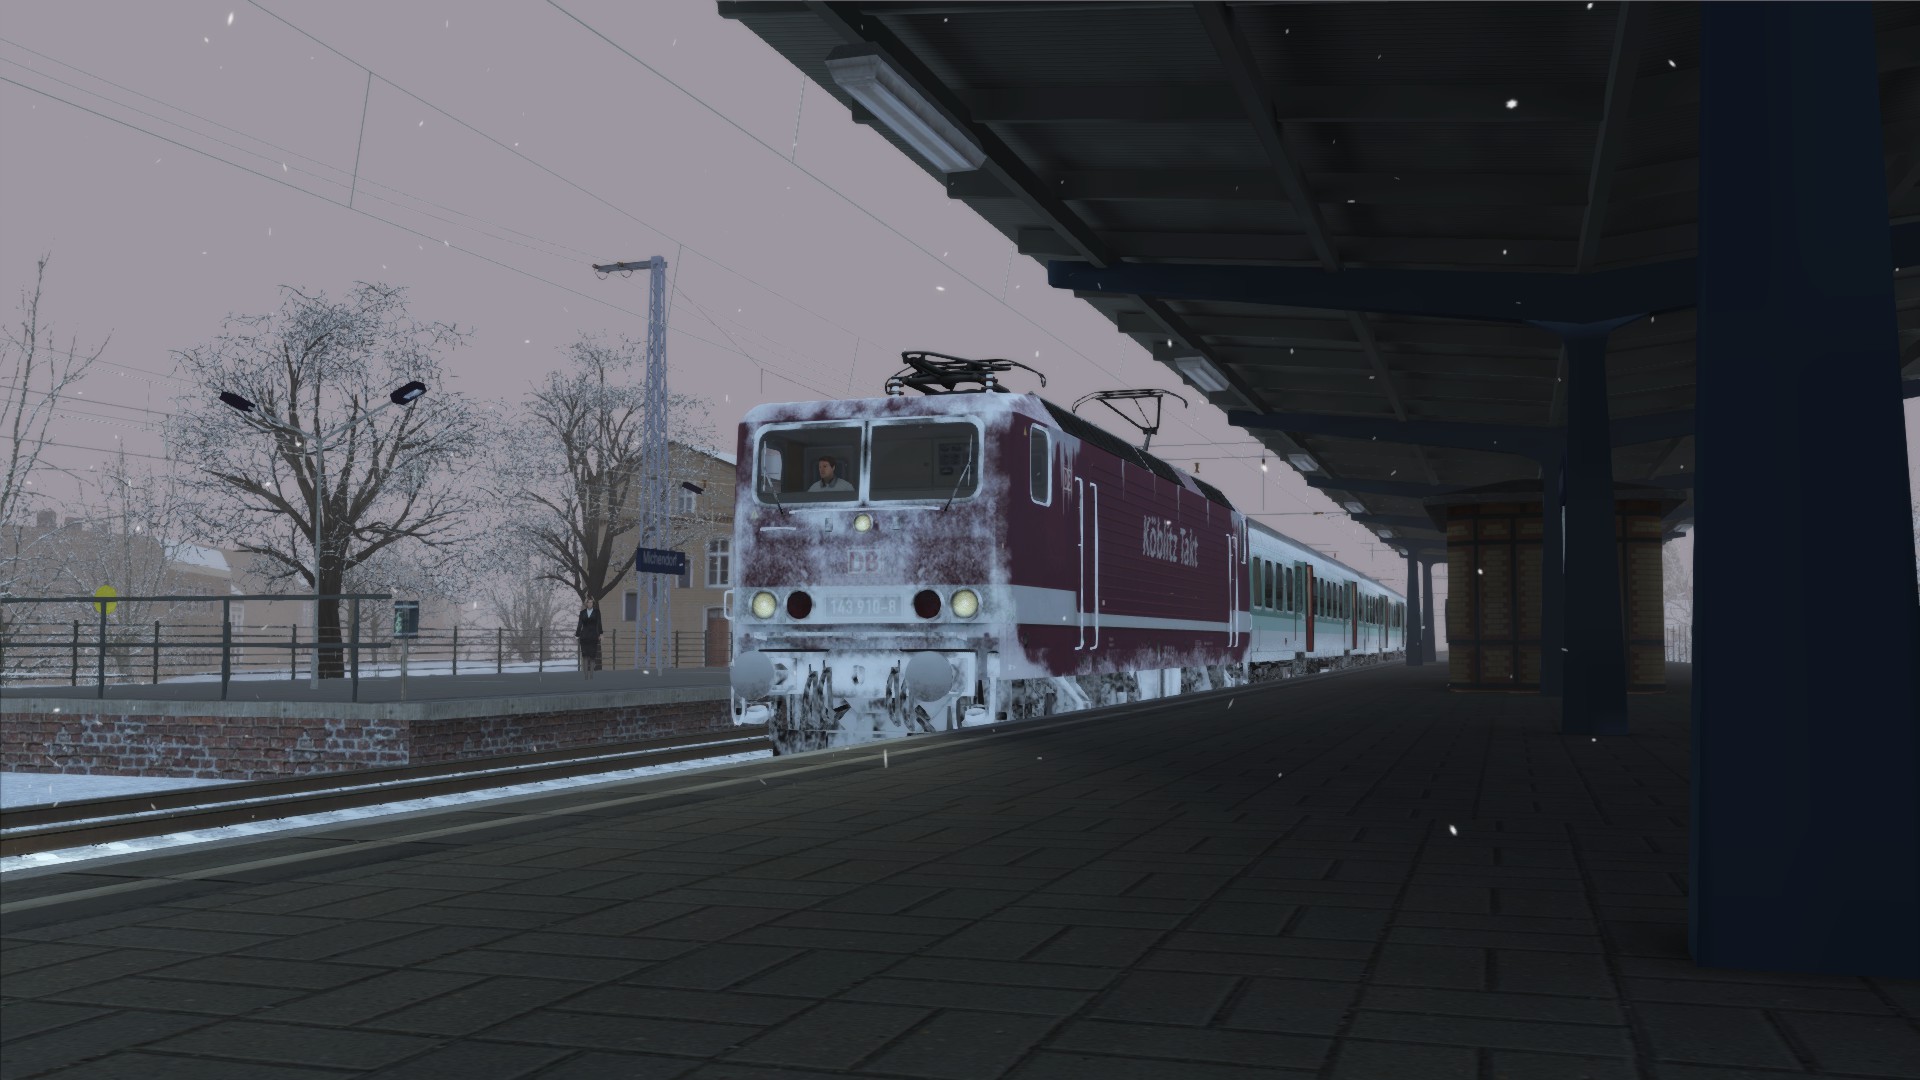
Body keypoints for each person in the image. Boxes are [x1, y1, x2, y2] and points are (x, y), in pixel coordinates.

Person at [575, 603, 603, 679]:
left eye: (591, 602)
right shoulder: (582, 612)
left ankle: (591, 675)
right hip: (584, 636)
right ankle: (586, 676)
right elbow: (580, 624)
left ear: (593, 603)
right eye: (588, 602)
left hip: (593, 636)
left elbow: (599, 623)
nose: (590, 604)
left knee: (592, 656)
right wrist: (577, 635)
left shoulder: (597, 612)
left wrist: (601, 633)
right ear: (586, 603)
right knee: (585, 656)